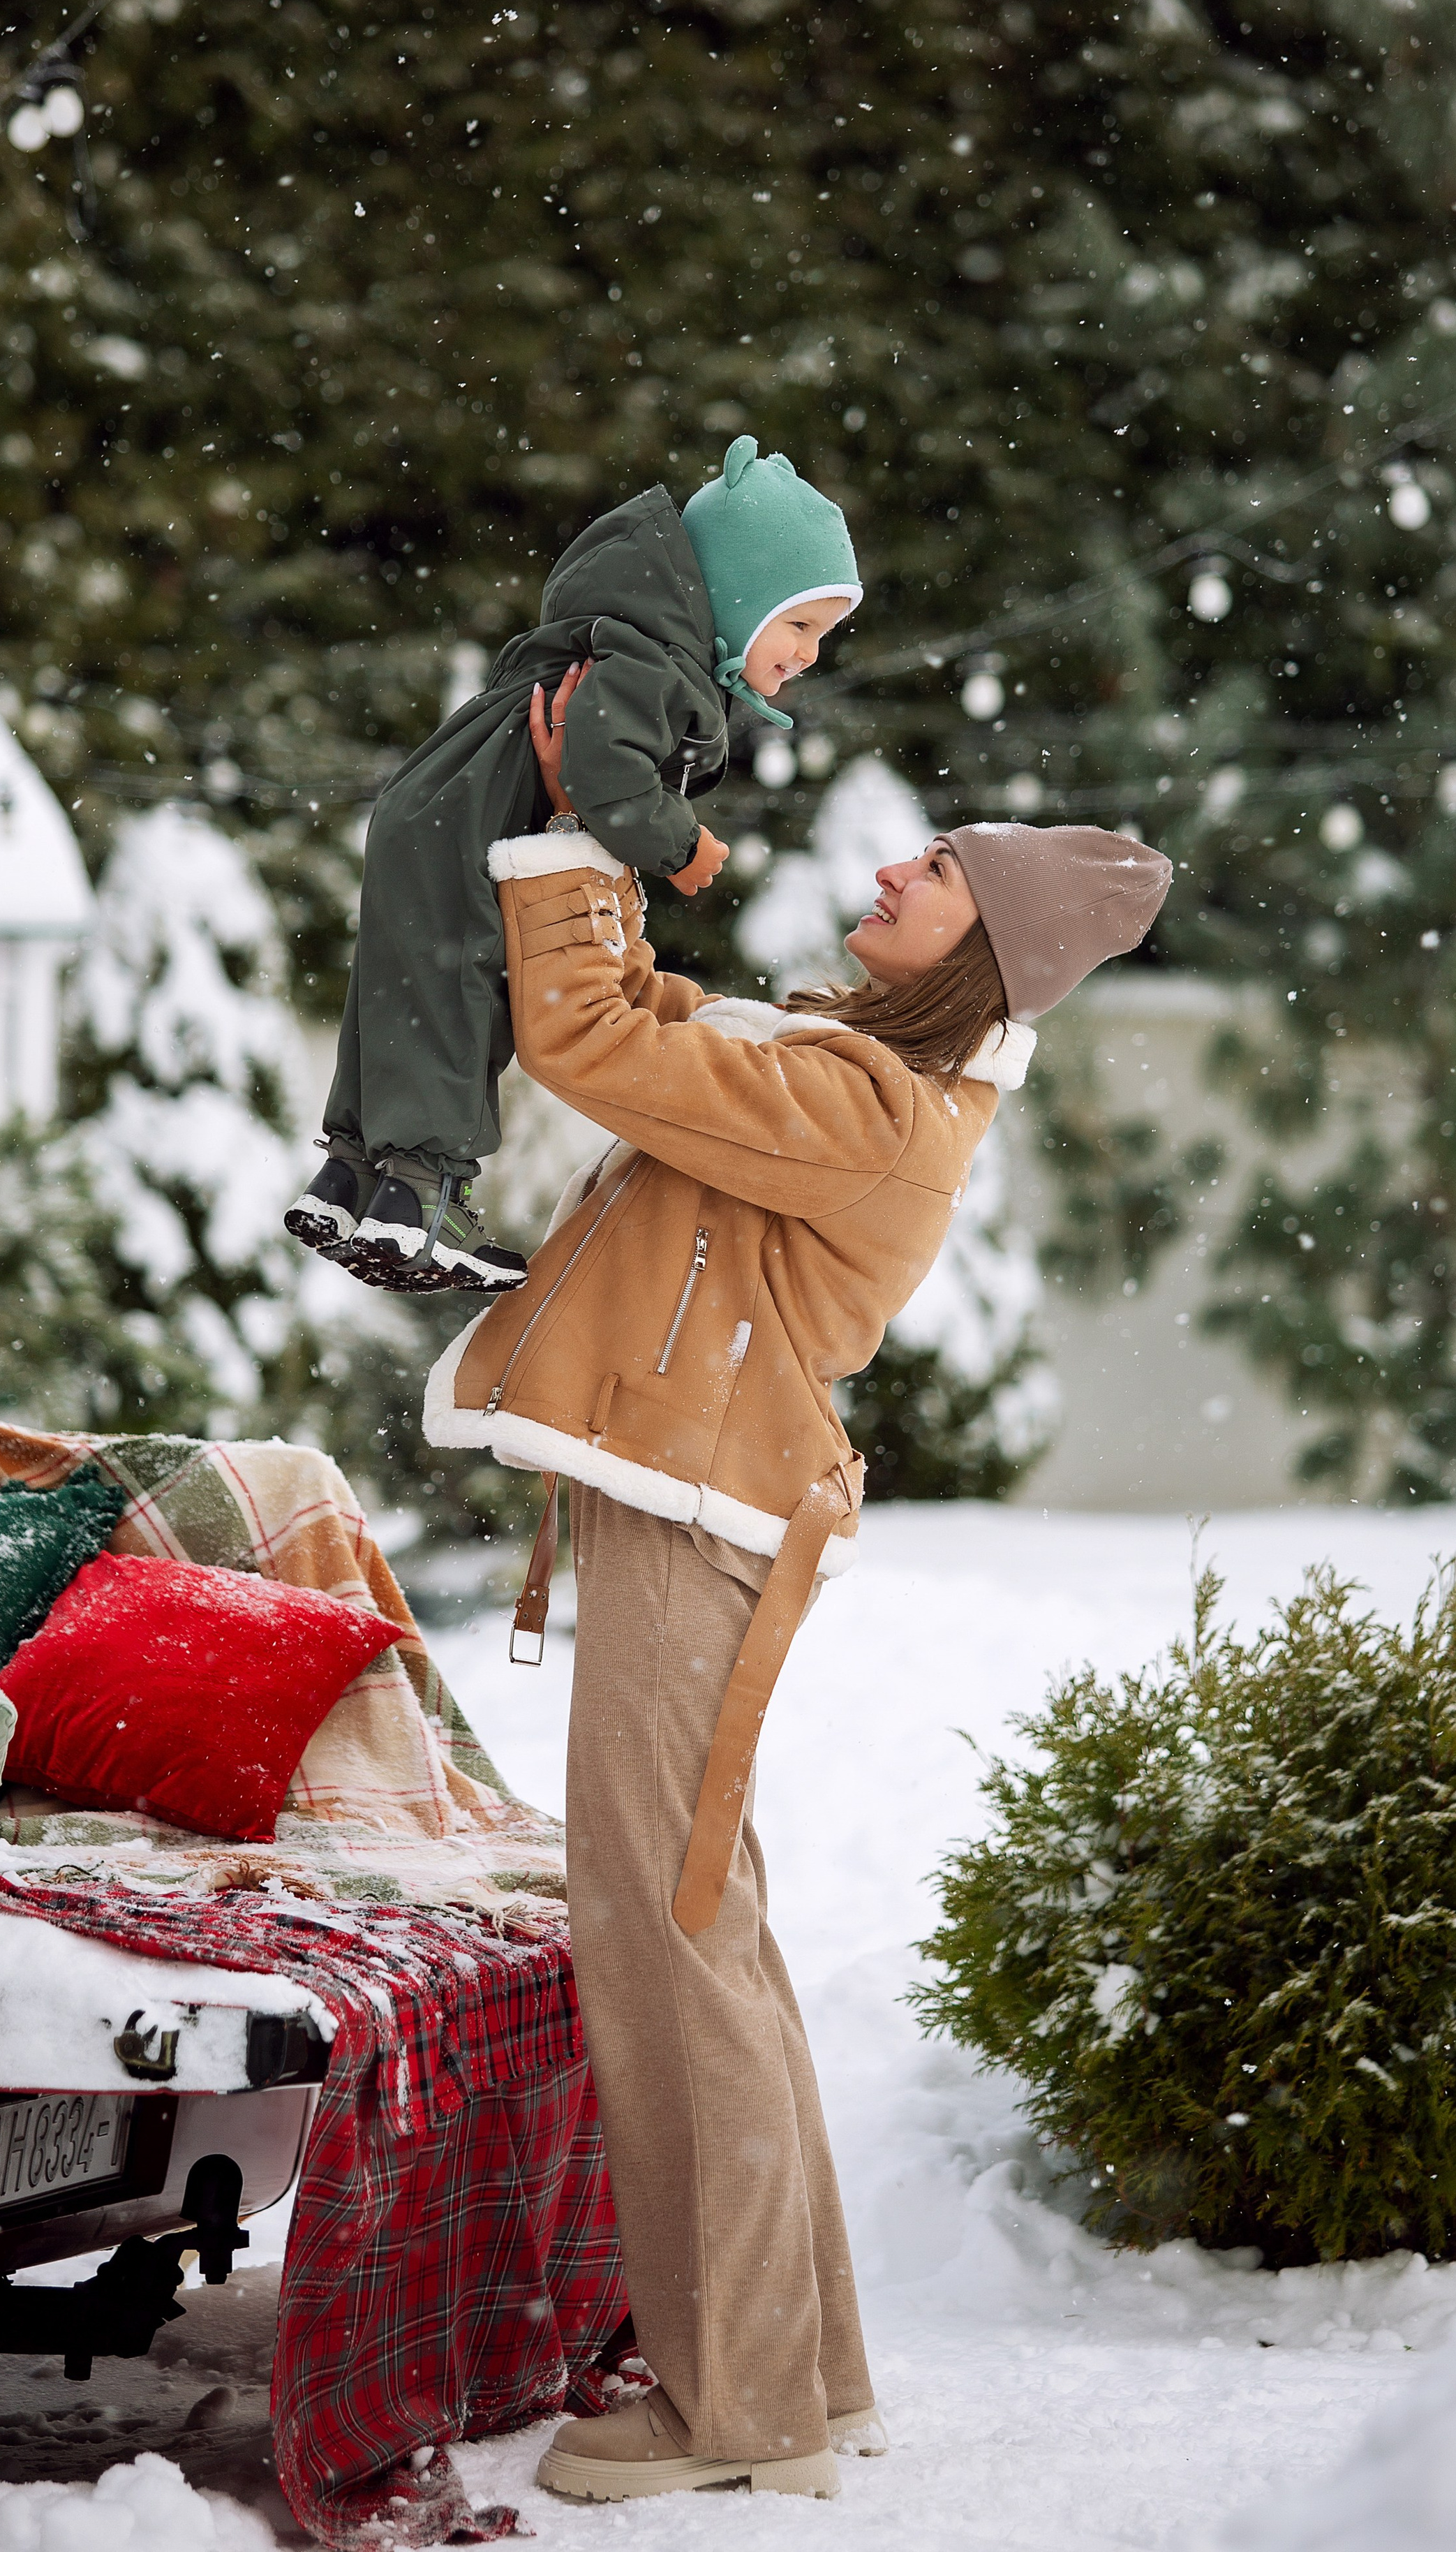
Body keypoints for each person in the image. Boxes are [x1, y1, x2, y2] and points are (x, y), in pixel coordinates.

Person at [423, 670, 1172, 2504]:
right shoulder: (865, 1080)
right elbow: (672, 1035)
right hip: (701, 1514)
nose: (897, 864)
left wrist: (568, 838)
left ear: (978, 948)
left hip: (701, 1528)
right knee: (699, 1935)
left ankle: (733, 2404)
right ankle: (798, 2374)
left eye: (939, 868)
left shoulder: (868, 1108)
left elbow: (606, 1055)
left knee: (670, 1943)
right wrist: (605, 880)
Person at [283, 434, 861, 1292]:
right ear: (737, 594)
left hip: (433, 806)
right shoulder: (652, 662)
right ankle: (423, 1198)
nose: (811, 652)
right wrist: (680, 845)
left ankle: (351, 1178)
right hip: (471, 823)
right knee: (460, 998)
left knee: (403, 992)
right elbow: (603, 773)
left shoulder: (622, 635)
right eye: (801, 623)